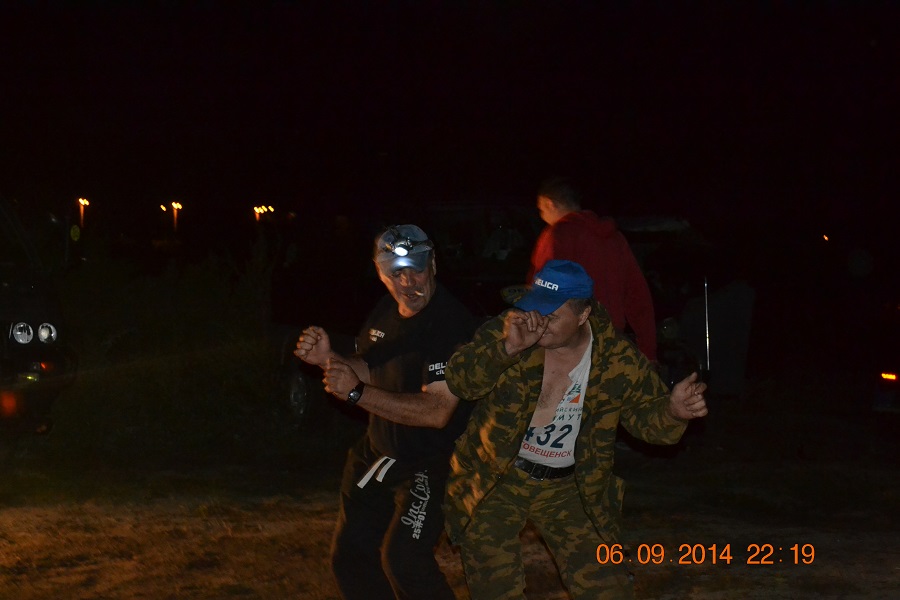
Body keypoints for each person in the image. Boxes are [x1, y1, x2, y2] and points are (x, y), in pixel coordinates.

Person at [443, 259, 708, 599]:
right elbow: (460, 381)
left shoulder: (616, 358)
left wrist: (673, 412)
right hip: (495, 478)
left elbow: (651, 424)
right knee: (494, 590)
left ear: (583, 315)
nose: (539, 321)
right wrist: (507, 349)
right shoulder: (512, 328)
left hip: (569, 487)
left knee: (608, 588)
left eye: (552, 315)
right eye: (536, 307)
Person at [293, 224, 476, 600]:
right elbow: (369, 367)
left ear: (433, 265)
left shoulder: (451, 324)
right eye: (397, 273)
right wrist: (328, 359)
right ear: (381, 274)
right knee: (350, 559)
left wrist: (357, 394)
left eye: (417, 269)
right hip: (379, 453)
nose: (409, 282)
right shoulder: (385, 313)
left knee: (404, 561)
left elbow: (438, 411)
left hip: (431, 462)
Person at [528, 176, 658, 362]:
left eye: (541, 210)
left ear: (550, 204)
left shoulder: (557, 235)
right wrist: (648, 352)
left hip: (570, 347)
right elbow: (638, 296)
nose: (542, 217)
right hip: (611, 344)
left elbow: (542, 292)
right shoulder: (616, 239)